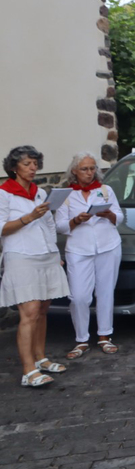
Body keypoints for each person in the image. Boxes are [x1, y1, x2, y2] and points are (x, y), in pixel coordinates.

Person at [1, 146, 71, 386]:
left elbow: (49, 224)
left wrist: (55, 252)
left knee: (42, 309)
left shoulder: (40, 193)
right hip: (21, 255)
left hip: (46, 255)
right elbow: (1, 228)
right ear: (14, 168)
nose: (33, 168)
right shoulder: (4, 194)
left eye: (35, 164)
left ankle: (41, 358)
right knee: (29, 312)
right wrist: (28, 217)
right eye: (27, 164)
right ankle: (28, 370)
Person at [55, 152, 123, 358]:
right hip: (78, 249)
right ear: (74, 171)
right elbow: (59, 225)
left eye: (92, 168)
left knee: (105, 292)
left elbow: (120, 216)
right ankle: (81, 338)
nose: (89, 172)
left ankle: (105, 335)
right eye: (84, 169)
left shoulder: (105, 190)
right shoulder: (66, 195)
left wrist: (109, 214)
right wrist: (76, 220)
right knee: (78, 297)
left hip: (108, 245)